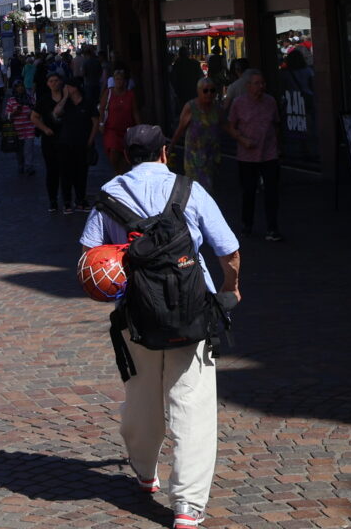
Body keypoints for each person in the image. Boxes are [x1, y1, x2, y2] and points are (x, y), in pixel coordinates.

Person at [79, 125, 241, 529]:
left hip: (137, 315)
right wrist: (231, 289)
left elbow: (88, 260)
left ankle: (144, 470)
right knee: (192, 405)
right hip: (192, 313)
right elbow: (229, 250)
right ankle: (187, 507)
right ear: (165, 153)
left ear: (128, 154)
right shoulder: (189, 190)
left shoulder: (108, 196)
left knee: (142, 397)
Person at [225, 70, 283, 241]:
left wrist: (279, 147)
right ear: (248, 86)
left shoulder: (270, 102)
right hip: (247, 156)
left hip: (269, 153)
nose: (261, 87)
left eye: (263, 83)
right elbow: (229, 126)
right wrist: (242, 139)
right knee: (248, 192)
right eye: (257, 83)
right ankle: (247, 224)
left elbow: (277, 124)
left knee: (271, 192)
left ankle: (272, 228)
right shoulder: (238, 103)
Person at [49, 72, 97, 214]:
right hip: (65, 143)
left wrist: (90, 140)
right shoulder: (66, 103)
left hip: (82, 143)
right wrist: (64, 98)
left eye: (67, 87)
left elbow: (94, 122)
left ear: (74, 88)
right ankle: (67, 201)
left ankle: (81, 200)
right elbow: (55, 113)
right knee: (66, 174)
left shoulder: (87, 102)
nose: (65, 88)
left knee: (81, 173)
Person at [172, 78, 224, 192]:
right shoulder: (191, 107)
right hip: (194, 158)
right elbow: (180, 129)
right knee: (195, 189)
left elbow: (226, 125)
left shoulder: (217, 108)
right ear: (199, 91)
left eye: (212, 90)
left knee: (209, 189)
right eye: (205, 91)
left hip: (211, 157)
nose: (209, 93)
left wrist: (241, 138)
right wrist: (170, 148)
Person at [102, 68, 139, 174]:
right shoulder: (108, 93)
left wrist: (139, 126)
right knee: (113, 152)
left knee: (125, 156)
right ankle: (118, 173)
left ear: (125, 81)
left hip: (127, 129)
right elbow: (102, 108)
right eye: (116, 79)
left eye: (121, 79)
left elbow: (135, 111)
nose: (119, 82)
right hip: (112, 129)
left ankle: (120, 175)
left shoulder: (130, 95)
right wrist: (101, 123)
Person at [3, 84, 39, 176]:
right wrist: (13, 113)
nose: (20, 88)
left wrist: (32, 113)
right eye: (18, 86)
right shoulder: (11, 100)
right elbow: (6, 116)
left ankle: (29, 166)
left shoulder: (30, 98)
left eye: (22, 86)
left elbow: (37, 111)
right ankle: (20, 164)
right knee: (19, 150)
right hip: (17, 130)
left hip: (29, 128)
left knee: (29, 149)